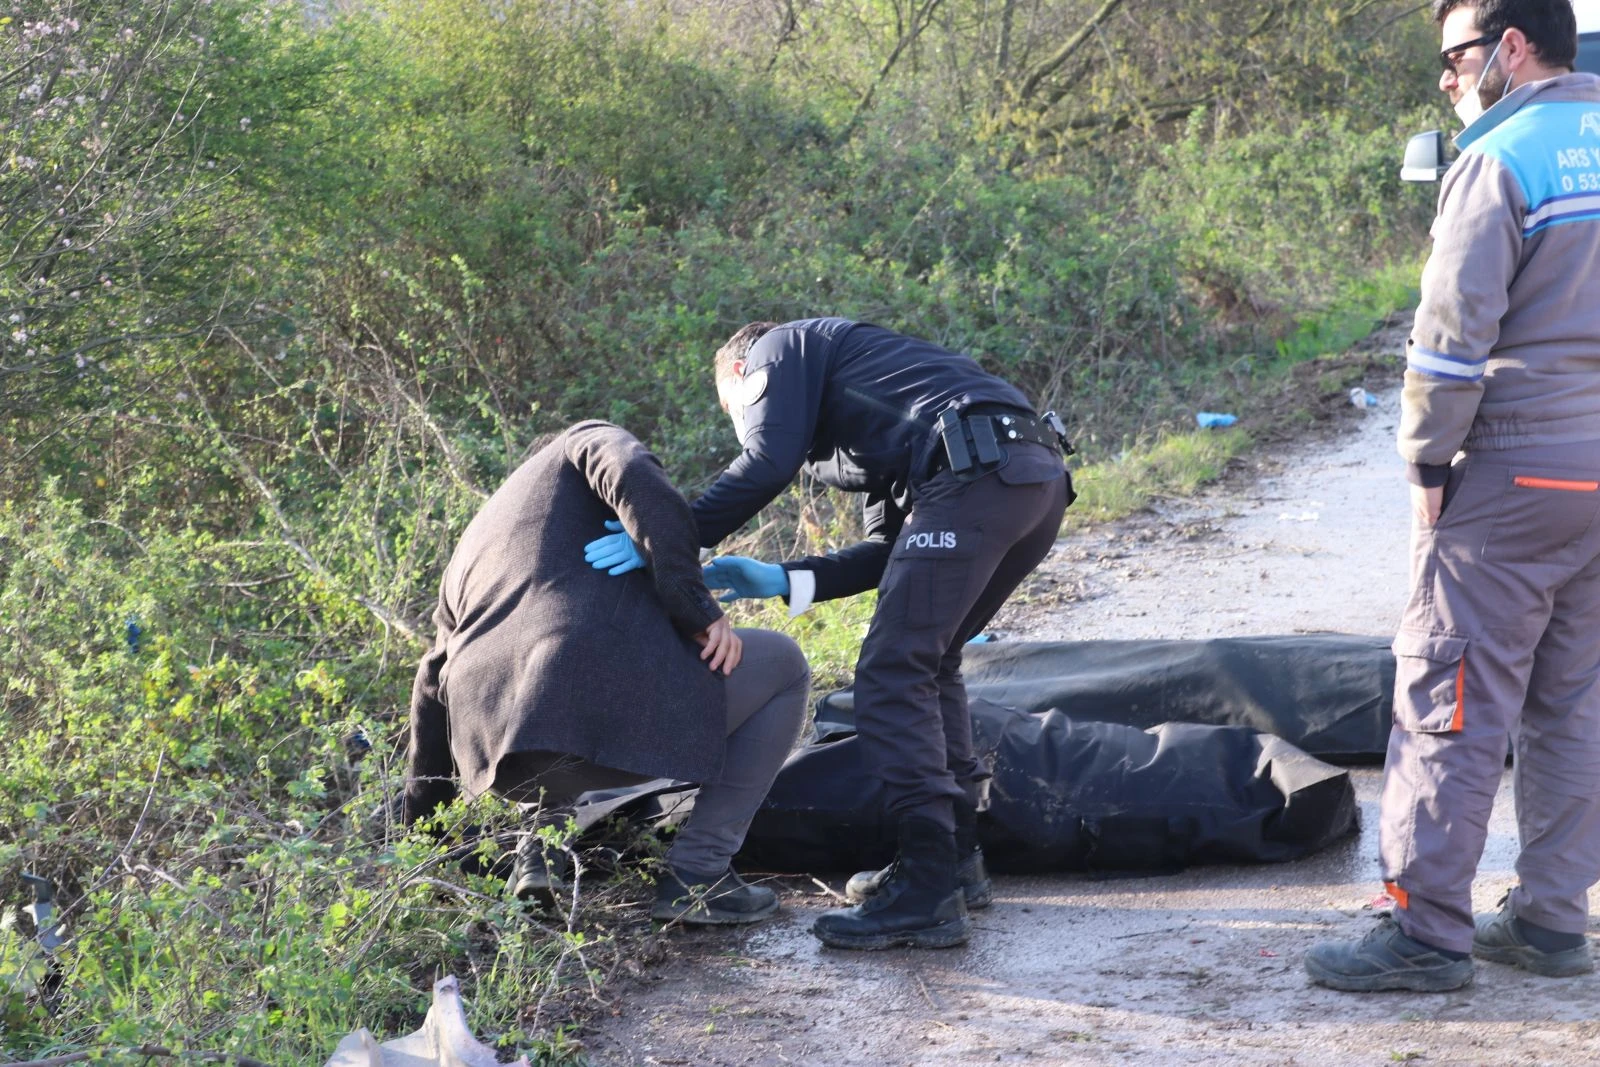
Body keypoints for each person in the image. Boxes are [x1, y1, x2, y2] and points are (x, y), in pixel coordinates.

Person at [593, 318, 1072, 949]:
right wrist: (780, 577)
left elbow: (765, 461)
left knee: (892, 673)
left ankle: (927, 893)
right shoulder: (872, 412)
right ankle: (953, 861)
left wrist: (665, 538)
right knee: (932, 662)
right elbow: (887, 550)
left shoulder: (772, 351)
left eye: (737, 412)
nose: (748, 420)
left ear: (740, 378)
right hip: (1030, 483)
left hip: (980, 476)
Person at [1304, 0, 1600, 991]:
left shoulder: (1499, 152)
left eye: (1455, 56)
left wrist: (1428, 466)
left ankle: (1425, 930)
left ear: (1511, 47)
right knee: (1575, 704)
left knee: (1449, 692)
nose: (1446, 79)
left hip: (1518, 465)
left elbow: (1448, 335)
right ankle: (1552, 920)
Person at [404, 420, 810, 926]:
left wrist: (419, 845)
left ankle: (541, 855)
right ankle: (698, 876)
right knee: (784, 663)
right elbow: (635, 473)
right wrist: (696, 609)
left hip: (495, 756)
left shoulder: (475, 544)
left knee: (552, 690)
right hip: (590, 722)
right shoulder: (582, 440)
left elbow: (431, 680)